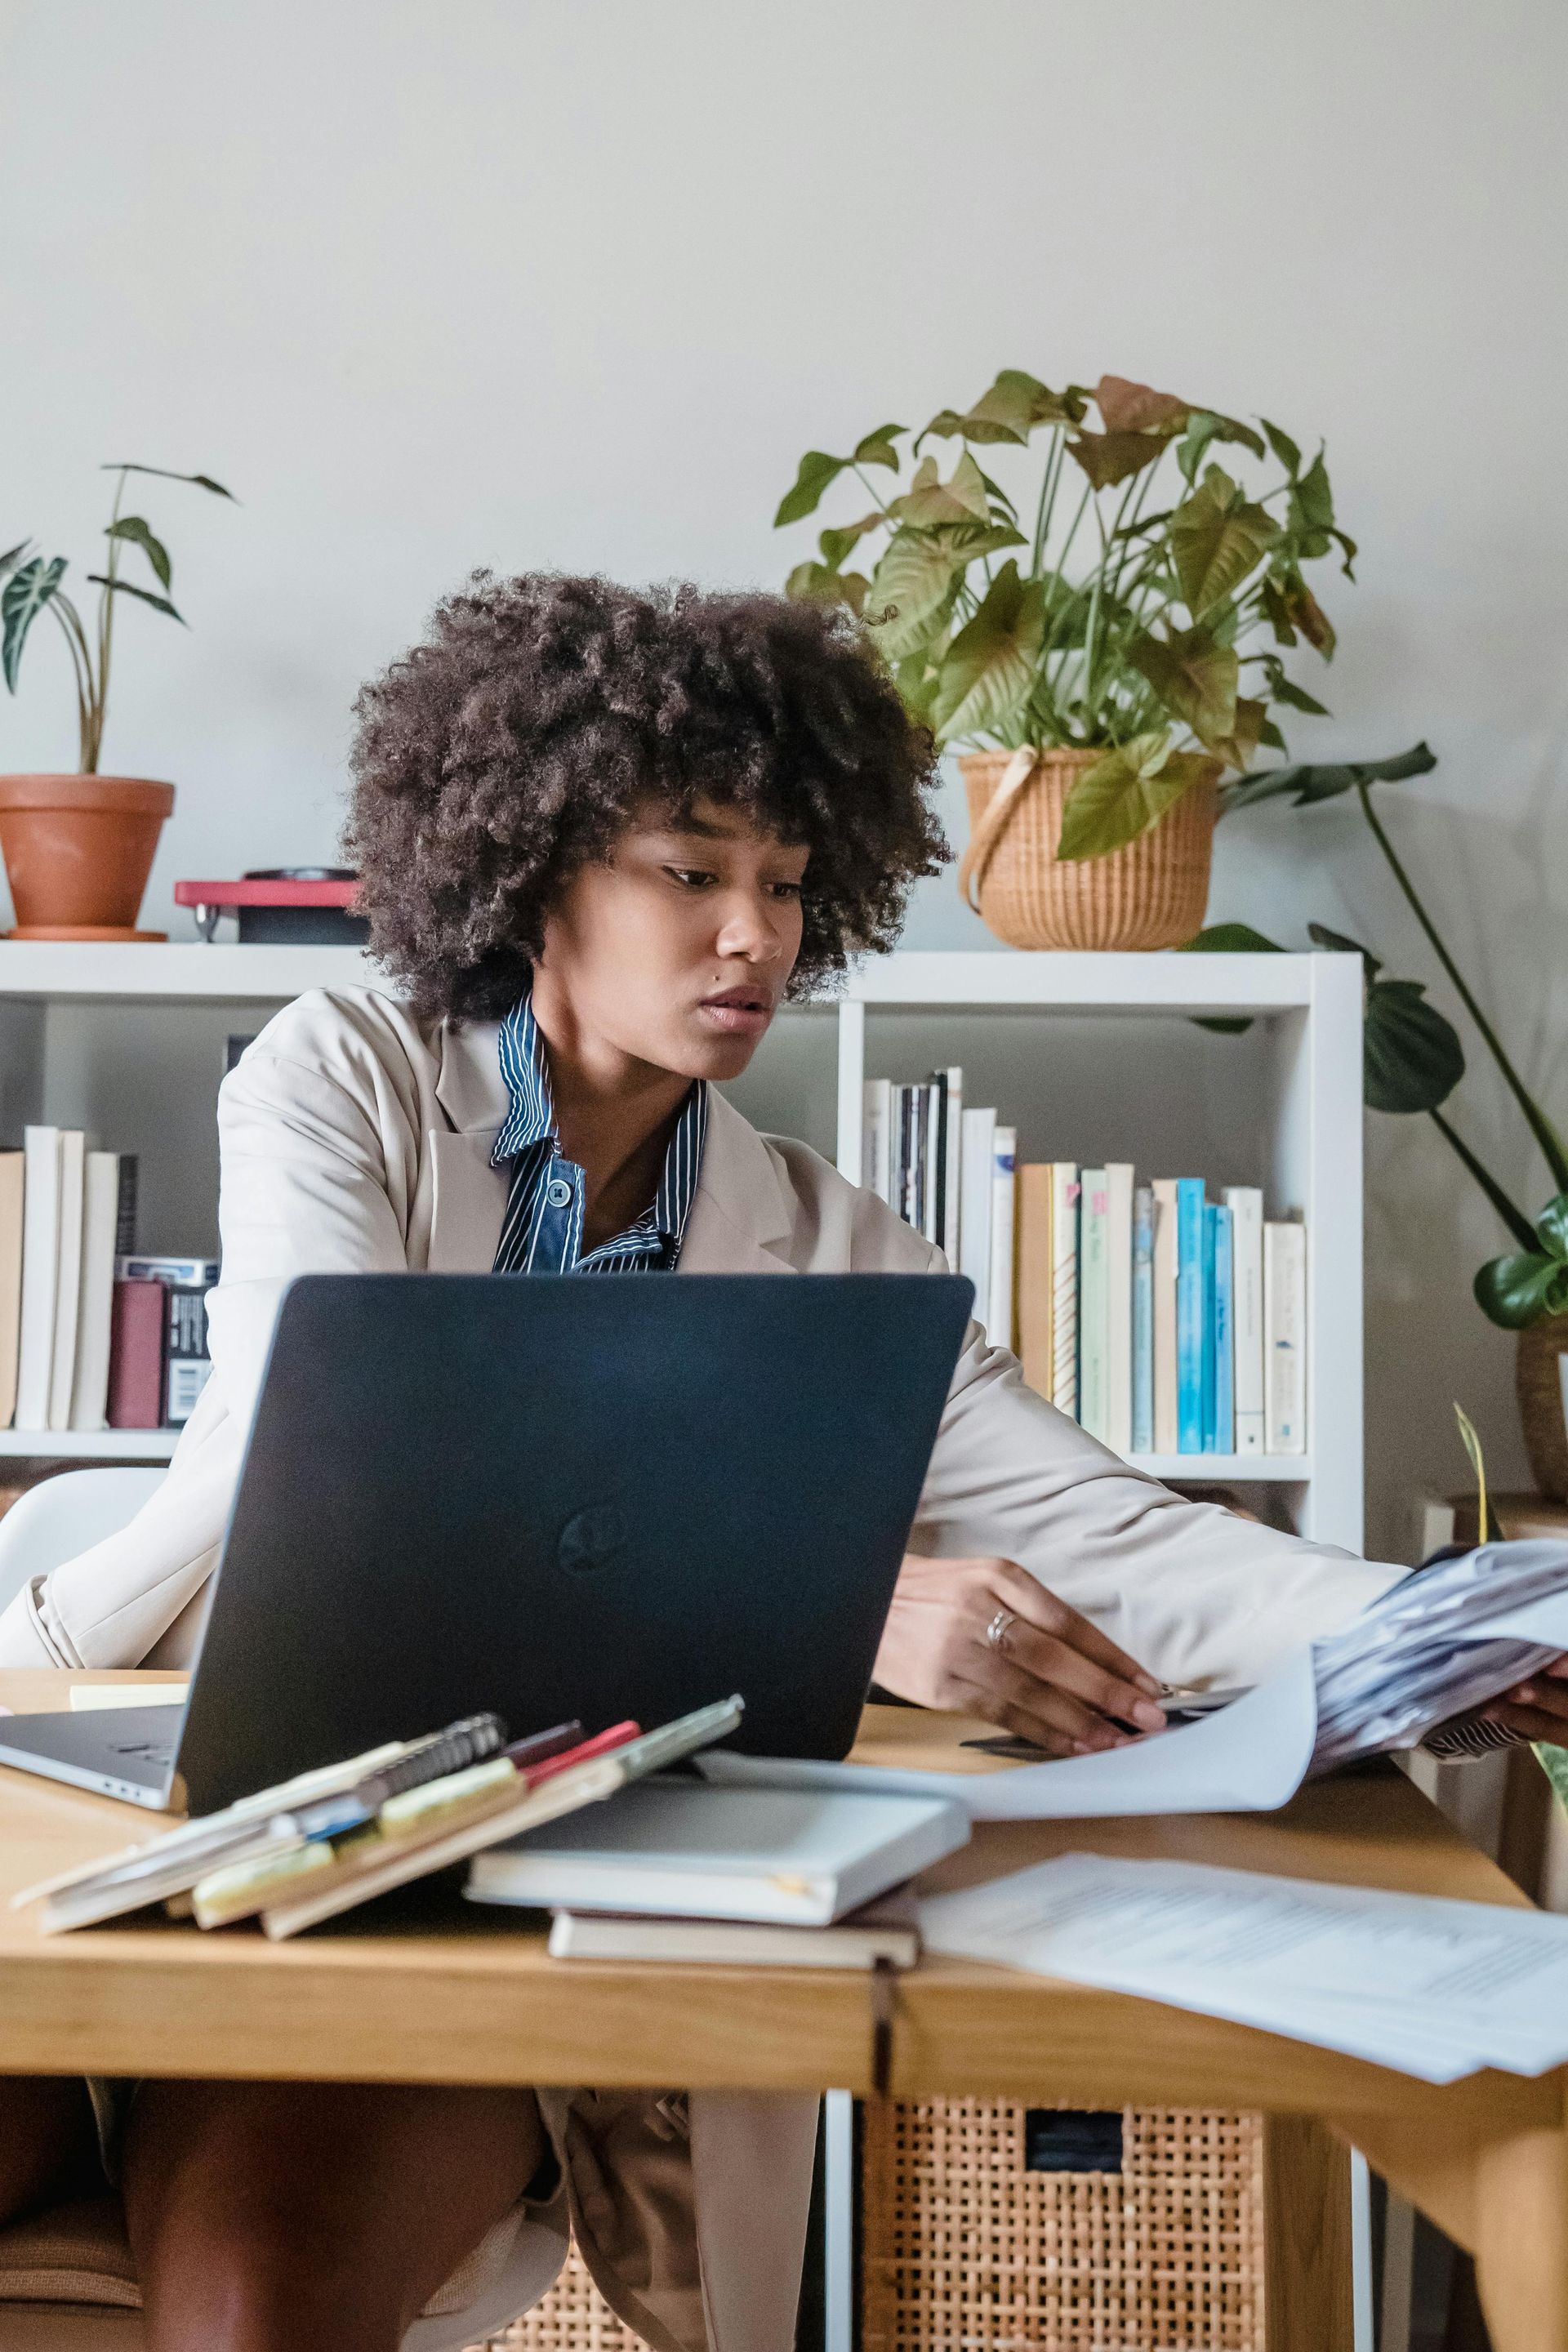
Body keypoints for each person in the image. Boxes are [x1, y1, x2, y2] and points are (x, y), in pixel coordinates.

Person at [1, 574, 1563, 2352]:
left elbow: (1116, 1537)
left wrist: (1458, 1620)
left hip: (420, 1909)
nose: (756, 935)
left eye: (792, 884)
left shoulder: (832, 1248)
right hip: (127, 1803)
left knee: (254, 2306)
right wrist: (831, 1593)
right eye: (692, 871)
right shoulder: (340, 1070)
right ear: (532, 872)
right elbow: (343, 1452)